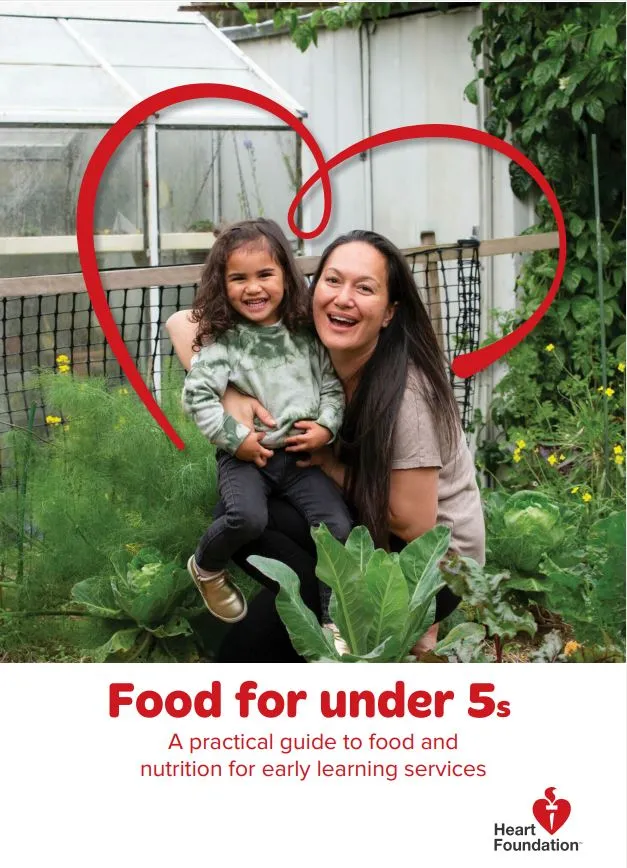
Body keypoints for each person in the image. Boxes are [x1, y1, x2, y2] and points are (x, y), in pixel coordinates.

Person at [167, 229, 485, 661]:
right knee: (241, 642)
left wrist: (328, 462)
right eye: (332, 281)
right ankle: (324, 622)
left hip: (430, 570)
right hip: (360, 529)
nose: (342, 299)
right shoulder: (310, 340)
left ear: (390, 312)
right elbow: (182, 323)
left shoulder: (407, 394)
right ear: (310, 289)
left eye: (365, 288)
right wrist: (231, 396)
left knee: (248, 515)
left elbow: (414, 524)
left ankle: (341, 630)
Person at [180, 218, 352, 628]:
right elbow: (196, 396)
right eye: (238, 278)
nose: (253, 287)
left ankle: (334, 624)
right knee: (247, 518)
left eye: (264, 275)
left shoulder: (306, 335)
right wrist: (236, 439)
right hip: (245, 459)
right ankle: (205, 566)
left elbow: (331, 386)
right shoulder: (225, 340)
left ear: (286, 277)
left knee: (338, 528)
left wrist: (326, 427)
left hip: (300, 457)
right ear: (222, 285)